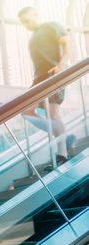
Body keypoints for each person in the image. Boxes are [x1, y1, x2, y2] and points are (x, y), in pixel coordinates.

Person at [18, 6, 75, 165]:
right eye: (23, 23)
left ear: (36, 15)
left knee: (52, 112)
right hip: (39, 79)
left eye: (28, 20)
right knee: (25, 110)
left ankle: (62, 154)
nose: (27, 25)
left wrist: (61, 66)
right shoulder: (34, 35)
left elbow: (67, 43)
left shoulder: (51, 25)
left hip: (53, 75)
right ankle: (64, 135)